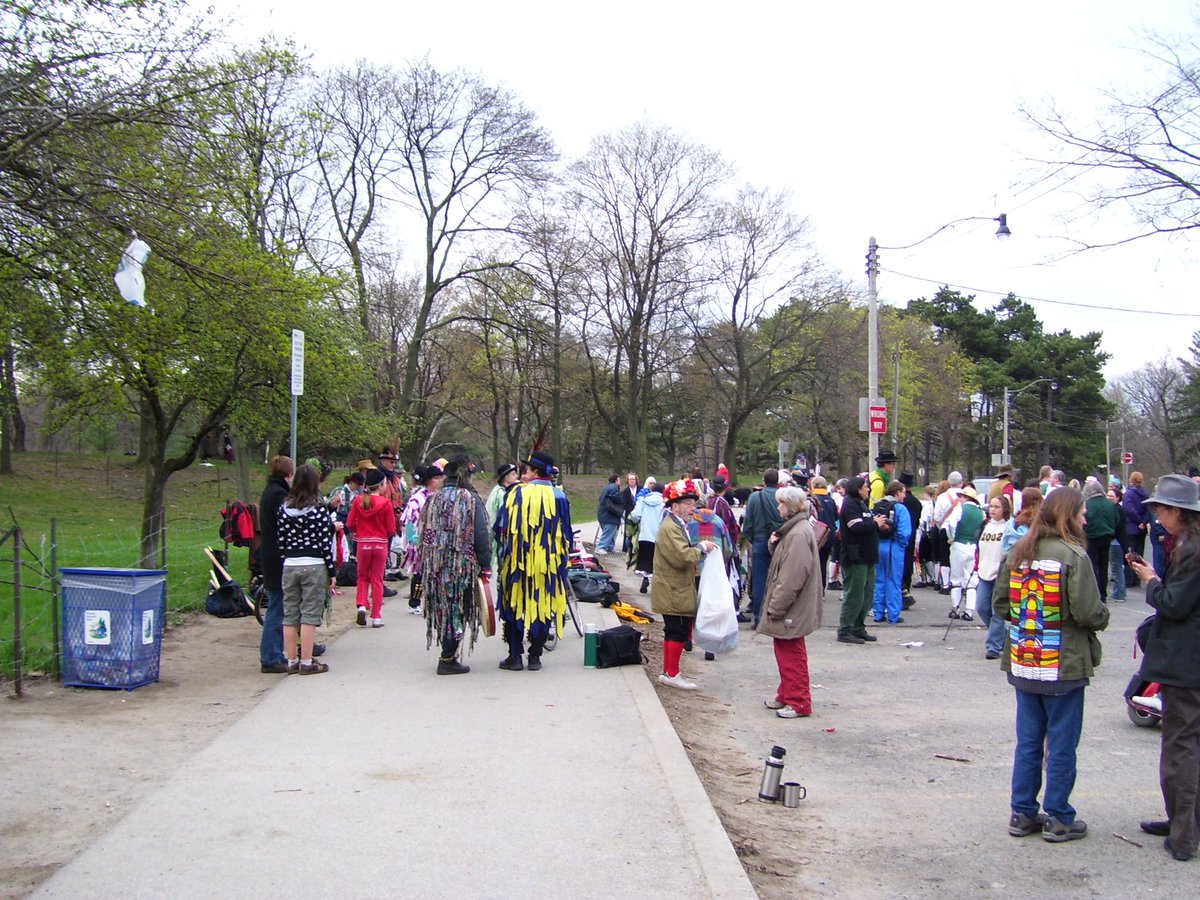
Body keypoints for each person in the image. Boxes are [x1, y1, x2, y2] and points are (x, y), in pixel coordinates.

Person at [997, 487, 1110, 842]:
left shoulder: (1019, 552)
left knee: (1028, 742)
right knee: (1061, 744)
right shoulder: (1073, 556)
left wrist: (1029, 619)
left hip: (1025, 661)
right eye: (1080, 513)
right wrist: (1102, 616)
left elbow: (1000, 605)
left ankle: (1023, 812)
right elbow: (1089, 612)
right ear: (1067, 516)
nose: (1085, 519)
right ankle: (1059, 816)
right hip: (1063, 663)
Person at [1125, 474, 1200, 861]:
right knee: (1185, 747)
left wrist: (1151, 581)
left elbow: (1174, 604)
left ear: (1177, 513)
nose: (1156, 517)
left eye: (1161, 511)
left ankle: (1184, 835)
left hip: (1186, 663)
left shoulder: (1193, 550)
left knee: (1180, 751)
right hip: (1185, 661)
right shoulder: (1186, 545)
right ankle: (1182, 823)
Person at [494, 450, 572, 671]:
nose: (523, 473)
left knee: (515, 605)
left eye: (526, 469)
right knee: (543, 605)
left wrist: (504, 552)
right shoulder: (560, 497)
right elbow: (566, 533)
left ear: (535, 471)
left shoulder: (516, 494)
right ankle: (535, 656)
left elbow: (502, 528)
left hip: (517, 562)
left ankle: (515, 656)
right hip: (548, 565)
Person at [418, 456, 490, 675]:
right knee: (458, 607)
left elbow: (422, 532)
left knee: (441, 608)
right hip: (461, 567)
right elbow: (481, 534)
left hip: (435, 566)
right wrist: (485, 564)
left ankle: (447, 652)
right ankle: (447, 658)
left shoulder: (432, 499)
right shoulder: (470, 499)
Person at [758, 486, 821, 718]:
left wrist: (776, 606)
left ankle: (798, 701)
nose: (777, 508)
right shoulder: (794, 530)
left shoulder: (797, 534)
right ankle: (786, 694)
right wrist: (774, 544)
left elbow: (792, 577)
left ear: (789, 506)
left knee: (792, 653)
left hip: (792, 607)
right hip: (792, 605)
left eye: (780, 503)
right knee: (785, 650)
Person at [651, 478, 719, 690]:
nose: (693, 508)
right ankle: (672, 673)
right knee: (677, 630)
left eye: (693, 503)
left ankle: (669, 671)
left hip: (674, 586)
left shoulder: (676, 524)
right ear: (675, 505)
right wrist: (701, 547)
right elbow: (682, 557)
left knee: (674, 630)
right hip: (674, 587)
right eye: (688, 504)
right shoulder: (671, 527)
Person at [277, 463, 336, 676]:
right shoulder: (319, 509)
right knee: (310, 614)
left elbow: (281, 540)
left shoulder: (284, 508)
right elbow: (324, 541)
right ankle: (307, 660)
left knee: (290, 613)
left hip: (290, 563)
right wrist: (332, 571)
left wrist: (287, 557)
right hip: (314, 563)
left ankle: (291, 660)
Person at [837, 475, 886, 645]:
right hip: (855, 557)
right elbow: (855, 526)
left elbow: (867, 523)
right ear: (857, 489)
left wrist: (878, 524)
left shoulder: (862, 504)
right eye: (866, 487)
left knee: (867, 594)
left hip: (868, 556)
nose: (868, 489)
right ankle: (845, 629)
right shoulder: (849, 504)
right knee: (854, 594)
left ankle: (858, 627)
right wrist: (874, 523)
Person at [258, 455, 296, 674]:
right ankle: (270, 657)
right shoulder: (279, 495)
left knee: (278, 605)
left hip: (271, 556)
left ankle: (275, 652)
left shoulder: (270, 491)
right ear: (288, 474)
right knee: (277, 608)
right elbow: (287, 522)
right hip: (277, 559)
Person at [346, 467, 396, 628]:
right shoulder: (385, 503)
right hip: (380, 544)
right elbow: (391, 529)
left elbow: (349, 523)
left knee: (362, 577)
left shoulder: (359, 501)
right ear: (381, 485)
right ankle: (376, 616)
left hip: (363, 543)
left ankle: (361, 604)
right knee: (377, 579)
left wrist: (359, 530)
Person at [398, 463, 444, 614]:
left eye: (440, 477)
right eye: (437, 478)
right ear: (429, 480)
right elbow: (409, 522)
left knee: (435, 573)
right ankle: (414, 602)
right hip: (420, 542)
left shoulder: (438, 497)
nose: (440, 480)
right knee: (419, 574)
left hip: (436, 542)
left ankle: (433, 602)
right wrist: (414, 541)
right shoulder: (417, 499)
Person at [741, 468, 782, 626]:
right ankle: (775, 616)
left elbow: (748, 522)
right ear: (777, 481)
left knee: (759, 580)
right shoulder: (782, 497)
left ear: (763, 481)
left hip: (759, 540)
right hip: (779, 541)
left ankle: (758, 617)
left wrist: (749, 538)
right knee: (779, 580)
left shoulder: (755, 498)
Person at [975, 494, 1011, 660]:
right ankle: (1005, 636)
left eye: (997, 507)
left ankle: (993, 647)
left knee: (998, 611)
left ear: (1005, 509)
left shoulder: (1009, 527)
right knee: (982, 607)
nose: (993, 509)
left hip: (1001, 573)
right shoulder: (985, 525)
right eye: (991, 506)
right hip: (984, 570)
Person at [872, 481, 911, 625]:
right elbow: (904, 532)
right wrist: (902, 544)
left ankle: (878, 613)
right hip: (894, 546)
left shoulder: (878, 505)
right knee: (894, 580)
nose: (904, 495)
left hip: (879, 545)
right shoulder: (900, 508)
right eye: (903, 492)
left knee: (879, 579)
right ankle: (893, 615)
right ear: (897, 493)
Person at [947, 486, 984, 620]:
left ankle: (955, 608)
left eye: (961, 496)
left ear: (967, 497)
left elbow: (951, 523)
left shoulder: (960, 509)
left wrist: (952, 537)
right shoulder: (981, 513)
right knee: (971, 580)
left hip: (959, 544)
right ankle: (969, 611)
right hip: (973, 546)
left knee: (956, 578)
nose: (960, 499)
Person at [1082, 477, 1118, 604]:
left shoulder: (1088, 504)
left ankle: (1095, 593)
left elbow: (1085, 522)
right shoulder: (1109, 503)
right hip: (1107, 536)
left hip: (1092, 537)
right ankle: (1103, 593)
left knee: (1093, 566)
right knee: (1103, 566)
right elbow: (1116, 519)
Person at [630, 482, 666, 593]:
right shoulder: (665, 503)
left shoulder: (643, 501)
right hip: (658, 536)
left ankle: (645, 579)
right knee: (657, 562)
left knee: (645, 561)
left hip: (644, 535)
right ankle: (656, 585)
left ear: (651, 490)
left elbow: (635, 515)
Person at [897, 472, 924, 606]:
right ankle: (906, 590)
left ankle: (899, 594)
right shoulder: (917, 503)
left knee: (898, 566)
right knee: (907, 564)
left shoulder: (899, 502)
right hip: (911, 535)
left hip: (899, 536)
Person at [1107, 485, 1128, 602]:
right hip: (1115, 541)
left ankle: (1119, 593)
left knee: (1116, 568)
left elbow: (1117, 527)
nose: (1109, 498)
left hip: (1116, 542)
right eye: (1108, 495)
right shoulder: (1113, 509)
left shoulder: (1118, 510)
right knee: (1116, 568)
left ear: (1118, 498)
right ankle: (1119, 592)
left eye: (1112, 496)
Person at [596, 473, 624, 553]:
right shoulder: (613, 487)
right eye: (619, 480)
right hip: (609, 515)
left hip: (603, 514)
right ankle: (601, 547)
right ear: (616, 480)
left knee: (612, 531)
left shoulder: (607, 487)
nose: (620, 482)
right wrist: (622, 499)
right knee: (609, 530)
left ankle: (609, 547)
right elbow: (614, 497)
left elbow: (601, 498)